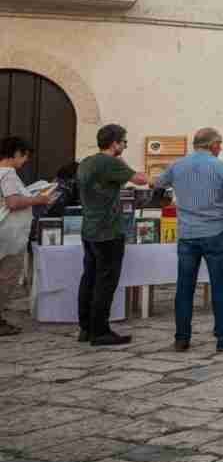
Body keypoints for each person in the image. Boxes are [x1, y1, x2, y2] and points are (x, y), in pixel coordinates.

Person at [156, 127, 223, 353]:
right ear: (212, 144)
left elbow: (157, 184)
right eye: (220, 144)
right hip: (214, 232)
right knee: (219, 287)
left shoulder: (177, 165)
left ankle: (181, 338)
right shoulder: (221, 167)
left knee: (184, 287)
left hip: (186, 234)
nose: (221, 148)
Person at [76, 124, 149, 345]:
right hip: (108, 230)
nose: (125, 146)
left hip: (89, 228)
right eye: (124, 142)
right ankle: (100, 331)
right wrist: (121, 160)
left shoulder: (87, 161)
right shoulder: (110, 162)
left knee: (89, 277)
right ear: (115, 142)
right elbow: (140, 179)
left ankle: (86, 328)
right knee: (105, 282)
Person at [0, 137, 56, 336]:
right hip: (9, 235)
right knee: (6, 278)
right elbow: (13, 202)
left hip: (5, 233)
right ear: (16, 153)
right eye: (24, 156)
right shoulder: (8, 174)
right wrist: (38, 199)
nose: (25, 161)